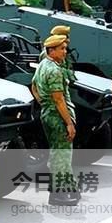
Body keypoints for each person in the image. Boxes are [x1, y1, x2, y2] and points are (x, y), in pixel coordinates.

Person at [31, 34, 79, 206]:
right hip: (57, 116)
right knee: (61, 156)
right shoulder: (54, 70)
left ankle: (62, 189)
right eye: (62, 49)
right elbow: (59, 99)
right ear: (51, 51)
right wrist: (69, 123)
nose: (65, 52)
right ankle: (59, 194)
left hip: (48, 113)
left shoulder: (43, 64)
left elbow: (34, 86)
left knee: (56, 152)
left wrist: (43, 103)